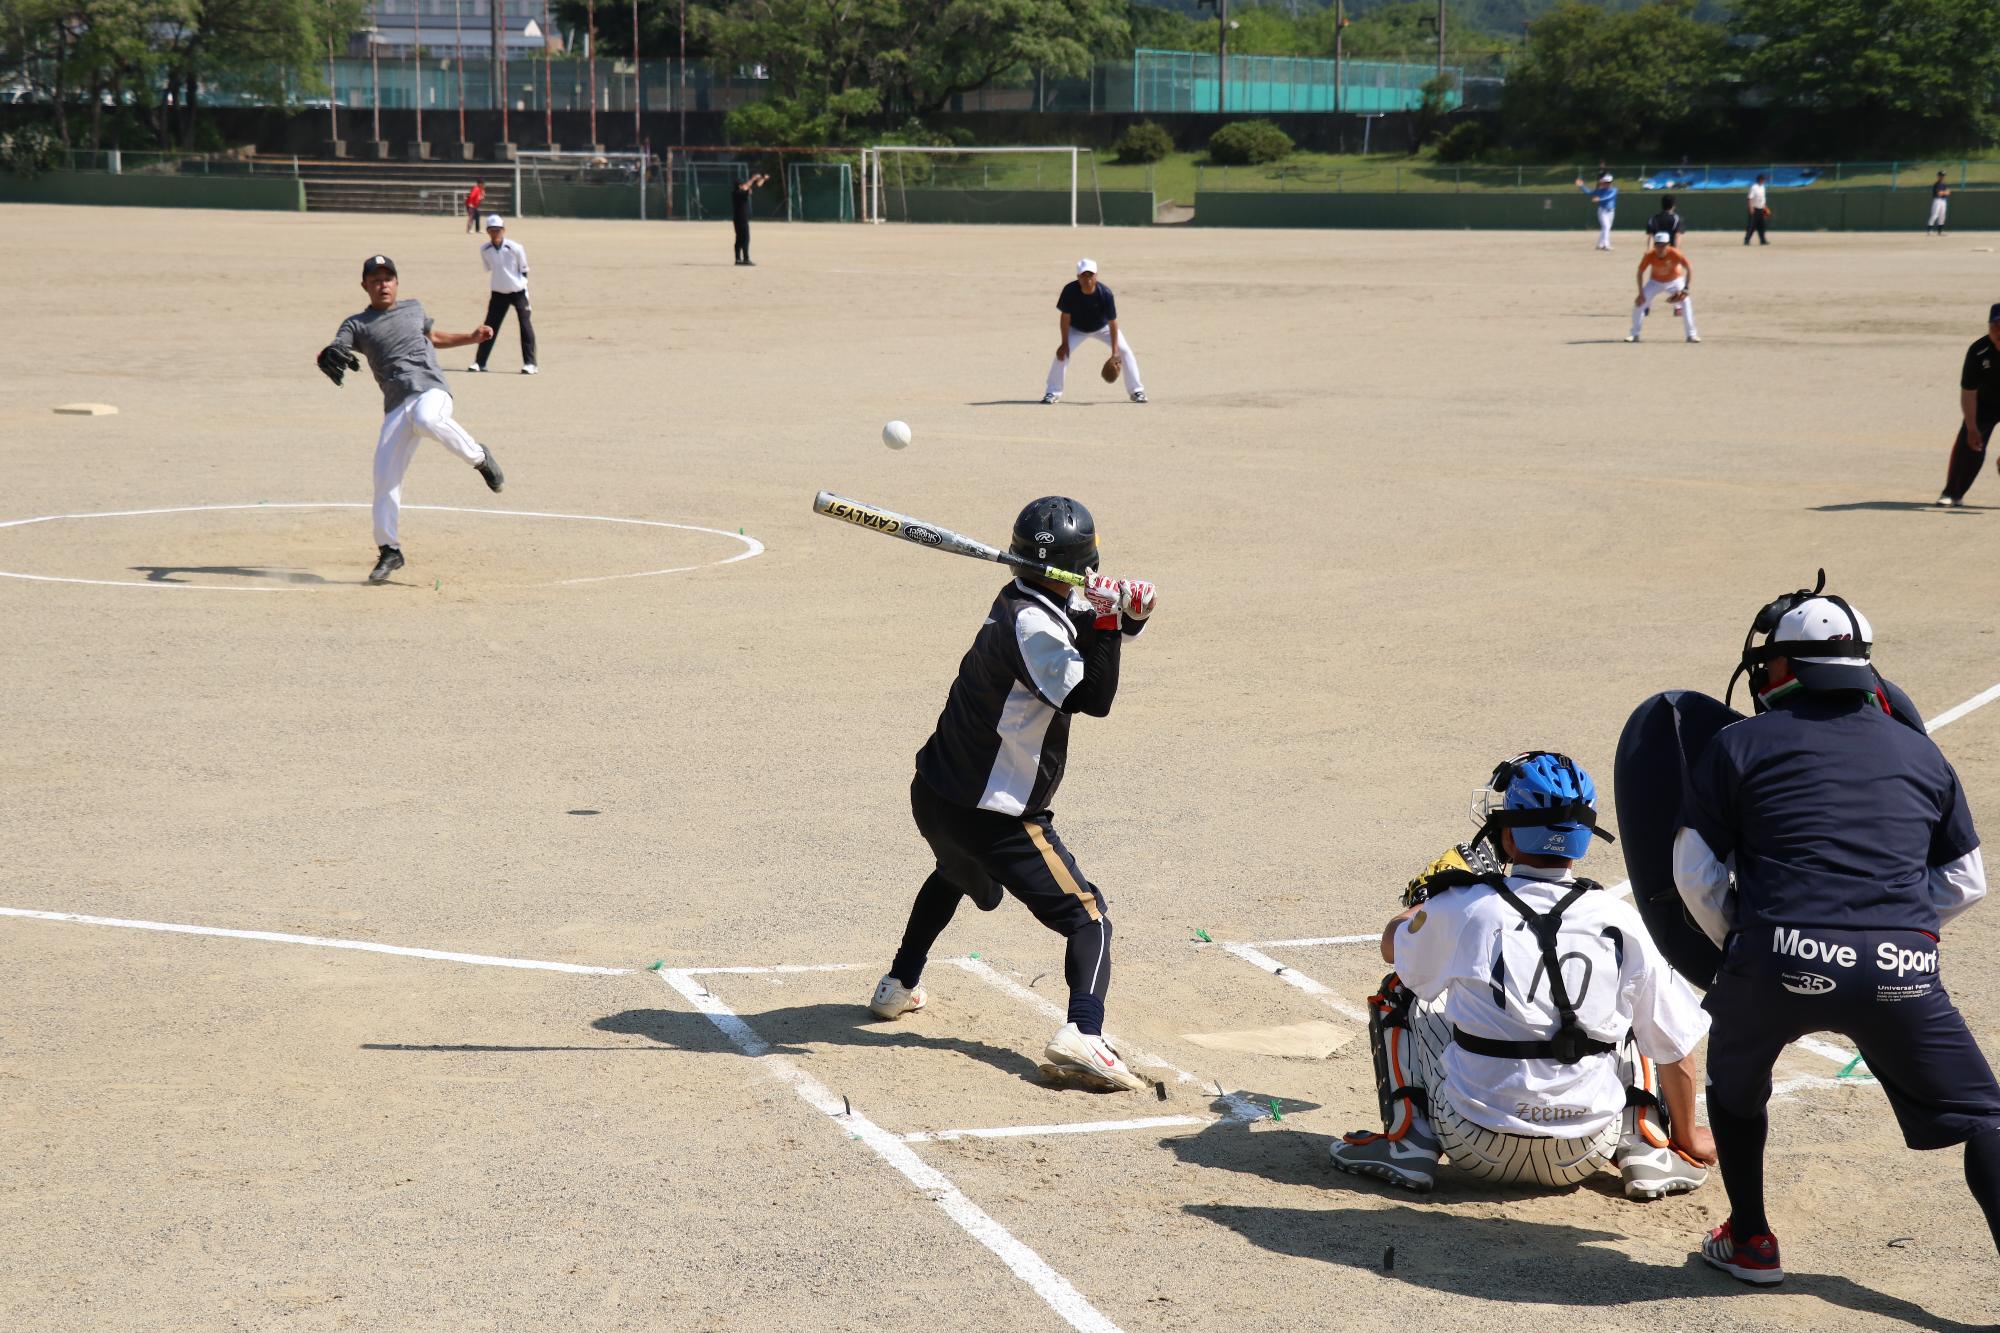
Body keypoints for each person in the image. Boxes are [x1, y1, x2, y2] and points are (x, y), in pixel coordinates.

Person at [1673, 581, 1999, 1285]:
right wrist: (1894, 931)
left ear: (1787, 668)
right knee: (1987, 1117)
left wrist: (1749, 937)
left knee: (1735, 1083)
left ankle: (1753, 1239)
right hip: (1901, 965)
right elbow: (1968, 880)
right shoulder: (1924, 755)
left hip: (1777, 957)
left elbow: (1694, 872)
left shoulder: (1739, 743)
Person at [866, 497, 1159, 1093]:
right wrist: (1107, 621)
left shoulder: (1023, 601)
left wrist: (1129, 613)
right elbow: (1093, 697)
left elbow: (1088, 620)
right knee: (1089, 917)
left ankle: (899, 984)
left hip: (936, 795)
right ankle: (1084, 1033)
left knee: (953, 872)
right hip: (996, 814)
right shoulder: (1033, 625)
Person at [1329, 753, 1715, 1199]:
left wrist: (1425, 902)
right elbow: (1677, 1052)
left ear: (1508, 835)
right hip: (1588, 1149)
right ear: (1584, 836)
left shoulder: (1466, 904)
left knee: (1397, 993)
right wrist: (1688, 1136)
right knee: (1641, 1010)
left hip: (1471, 1141)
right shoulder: (1621, 920)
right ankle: (1648, 1147)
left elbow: (1392, 947)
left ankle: (1407, 1142)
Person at [316, 254, 506, 584]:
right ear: (365, 286)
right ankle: (390, 550)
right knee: (384, 478)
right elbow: (339, 344)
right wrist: (331, 352)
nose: (382, 284)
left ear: (397, 282)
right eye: (375, 279)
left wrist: (471, 337)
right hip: (395, 407)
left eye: (387, 278)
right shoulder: (356, 324)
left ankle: (479, 457)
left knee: (428, 418)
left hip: (431, 390)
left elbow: (433, 337)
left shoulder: (414, 308)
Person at [1043, 259, 1145, 405]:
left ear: (1096, 276)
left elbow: (1112, 322)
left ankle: (1137, 391)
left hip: (1102, 328)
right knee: (1062, 354)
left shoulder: (1105, 293)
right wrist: (1064, 343)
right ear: (1078, 277)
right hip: (1076, 329)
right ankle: (1052, 393)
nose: (1087, 279)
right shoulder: (1069, 291)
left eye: (1090, 275)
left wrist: (1115, 351)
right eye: (1083, 276)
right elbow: (1065, 317)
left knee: (1125, 351)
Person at [1937, 302, 2000, 507]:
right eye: (1995, 327)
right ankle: (1953, 493)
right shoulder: (1978, 351)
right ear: (1989, 327)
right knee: (1969, 443)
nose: (1999, 332)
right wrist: (1972, 428)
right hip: (1984, 404)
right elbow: (1968, 392)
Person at [470, 214, 537, 375]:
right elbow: (490, 269)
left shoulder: (515, 248)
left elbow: (524, 270)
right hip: (498, 293)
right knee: (490, 327)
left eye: (498, 230)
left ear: (504, 230)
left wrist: (523, 289)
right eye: (492, 230)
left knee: (525, 325)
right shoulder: (485, 249)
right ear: (488, 232)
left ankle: (530, 363)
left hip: (518, 292)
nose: (495, 233)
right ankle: (480, 362)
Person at [1627, 232, 1699, 344]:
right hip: (1655, 281)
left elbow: (1689, 268)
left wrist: (1685, 288)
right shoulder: (1649, 255)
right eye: (1658, 245)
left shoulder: (1675, 253)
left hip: (1675, 281)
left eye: (1663, 245)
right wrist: (1640, 293)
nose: (1660, 248)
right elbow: (1640, 273)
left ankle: (1691, 335)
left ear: (1668, 245)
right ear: (1654, 245)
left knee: (1686, 301)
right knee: (1639, 304)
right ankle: (1634, 334)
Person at [731, 172, 769, 265]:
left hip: (738, 219)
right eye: (743, 184)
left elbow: (756, 186)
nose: (745, 185)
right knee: (745, 239)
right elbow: (747, 187)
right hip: (742, 219)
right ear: (740, 185)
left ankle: (738, 259)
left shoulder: (736, 192)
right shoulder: (739, 192)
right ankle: (746, 259)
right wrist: (753, 178)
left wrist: (762, 178)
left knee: (739, 239)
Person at [1575, 172, 1618, 250]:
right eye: (1606, 182)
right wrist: (1581, 185)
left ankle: (1600, 244)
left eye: (1609, 182)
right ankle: (1606, 245)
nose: (1607, 184)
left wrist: (1599, 199)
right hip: (1603, 211)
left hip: (1611, 212)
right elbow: (1589, 192)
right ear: (1603, 182)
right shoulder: (1599, 190)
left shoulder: (1614, 190)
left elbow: (1609, 197)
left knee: (1606, 228)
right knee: (1606, 227)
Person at [1744, 175, 1771, 246]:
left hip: (1761, 209)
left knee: (1762, 226)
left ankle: (1763, 240)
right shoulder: (1754, 187)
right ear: (1759, 180)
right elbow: (1750, 198)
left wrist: (1765, 207)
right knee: (1751, 226)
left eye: (1764, 180)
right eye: (1763, 179)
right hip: (1754, 209)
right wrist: (1751, 208)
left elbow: (1763, 198)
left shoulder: (1763, 187)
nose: (1764, 181)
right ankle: (1746, 240)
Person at [1929, 172, 1951, 236]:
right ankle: (1929, 230)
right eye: (1941, 175)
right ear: (1938, 176)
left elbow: (1948, 192)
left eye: (1943, 175)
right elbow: (1939, 193)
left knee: (1942, 216)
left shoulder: (1944, 184)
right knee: (1935, 215)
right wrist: (1945, 192)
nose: (1942, 177)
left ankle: (1939, 232)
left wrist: (1944, 192)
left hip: (1943, 201)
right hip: (1937, 200)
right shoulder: (1936, 184)